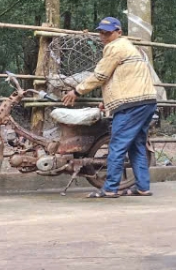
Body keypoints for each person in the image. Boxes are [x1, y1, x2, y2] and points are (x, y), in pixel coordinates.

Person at [63, 17, 159, 199]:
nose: (104, 36)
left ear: (118, 32)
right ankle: (142, 187)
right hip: (146, 101)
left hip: (132, 104)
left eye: (108, 33)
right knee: (137, 144)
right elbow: (123, 79)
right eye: (101, 32)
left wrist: (77, 90)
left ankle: (110, 188)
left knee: (117, 145)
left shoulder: (115, 47)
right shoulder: (129, 48)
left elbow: (100, 75)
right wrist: (109, 101)